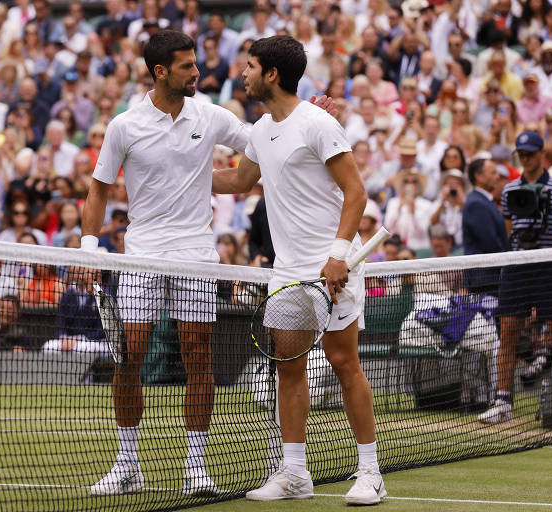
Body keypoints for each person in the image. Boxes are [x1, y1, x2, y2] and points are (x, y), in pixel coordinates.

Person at [212, 35, 384, 505]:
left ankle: (370, 472)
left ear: (271, 74)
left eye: (249, 66)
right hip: (287, 272)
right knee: (287, 368)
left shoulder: (318, 122)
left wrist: (337, 253)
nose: (242, 73)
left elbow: (356, 192)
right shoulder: (261, 129)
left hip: (333, 265)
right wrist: (175, 175)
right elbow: (241, 180)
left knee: (344, 362)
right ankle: (294, 474)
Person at [81, 29, 252, 497]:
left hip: (196, 252)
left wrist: (303, 121)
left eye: (194, 63)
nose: (196, 72)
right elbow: (99, 189)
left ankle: (195, 466)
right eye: (185, 66)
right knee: (130, 356)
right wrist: (88, 246)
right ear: (160, 72)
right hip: (142, 253)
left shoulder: (211, 115)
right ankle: (127, 463)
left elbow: (259, 144)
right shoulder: (124, 126)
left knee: (199, 357)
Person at [479, 131, 552, 424]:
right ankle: (503, 401)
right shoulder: (508, 191)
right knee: (507, 331)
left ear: (541, 153)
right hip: (518, 266)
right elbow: (511, 233)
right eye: (522, 154)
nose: (527, 158)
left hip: (549, 265)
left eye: (531, 153)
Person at [462, 158, 509, 294]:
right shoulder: (476, 204)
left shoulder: (485, 201)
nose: (498, 176)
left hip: (491, 277)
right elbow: (490, 242)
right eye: (492, 173)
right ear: (478, 176)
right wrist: (509, 261)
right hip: (485, 280)